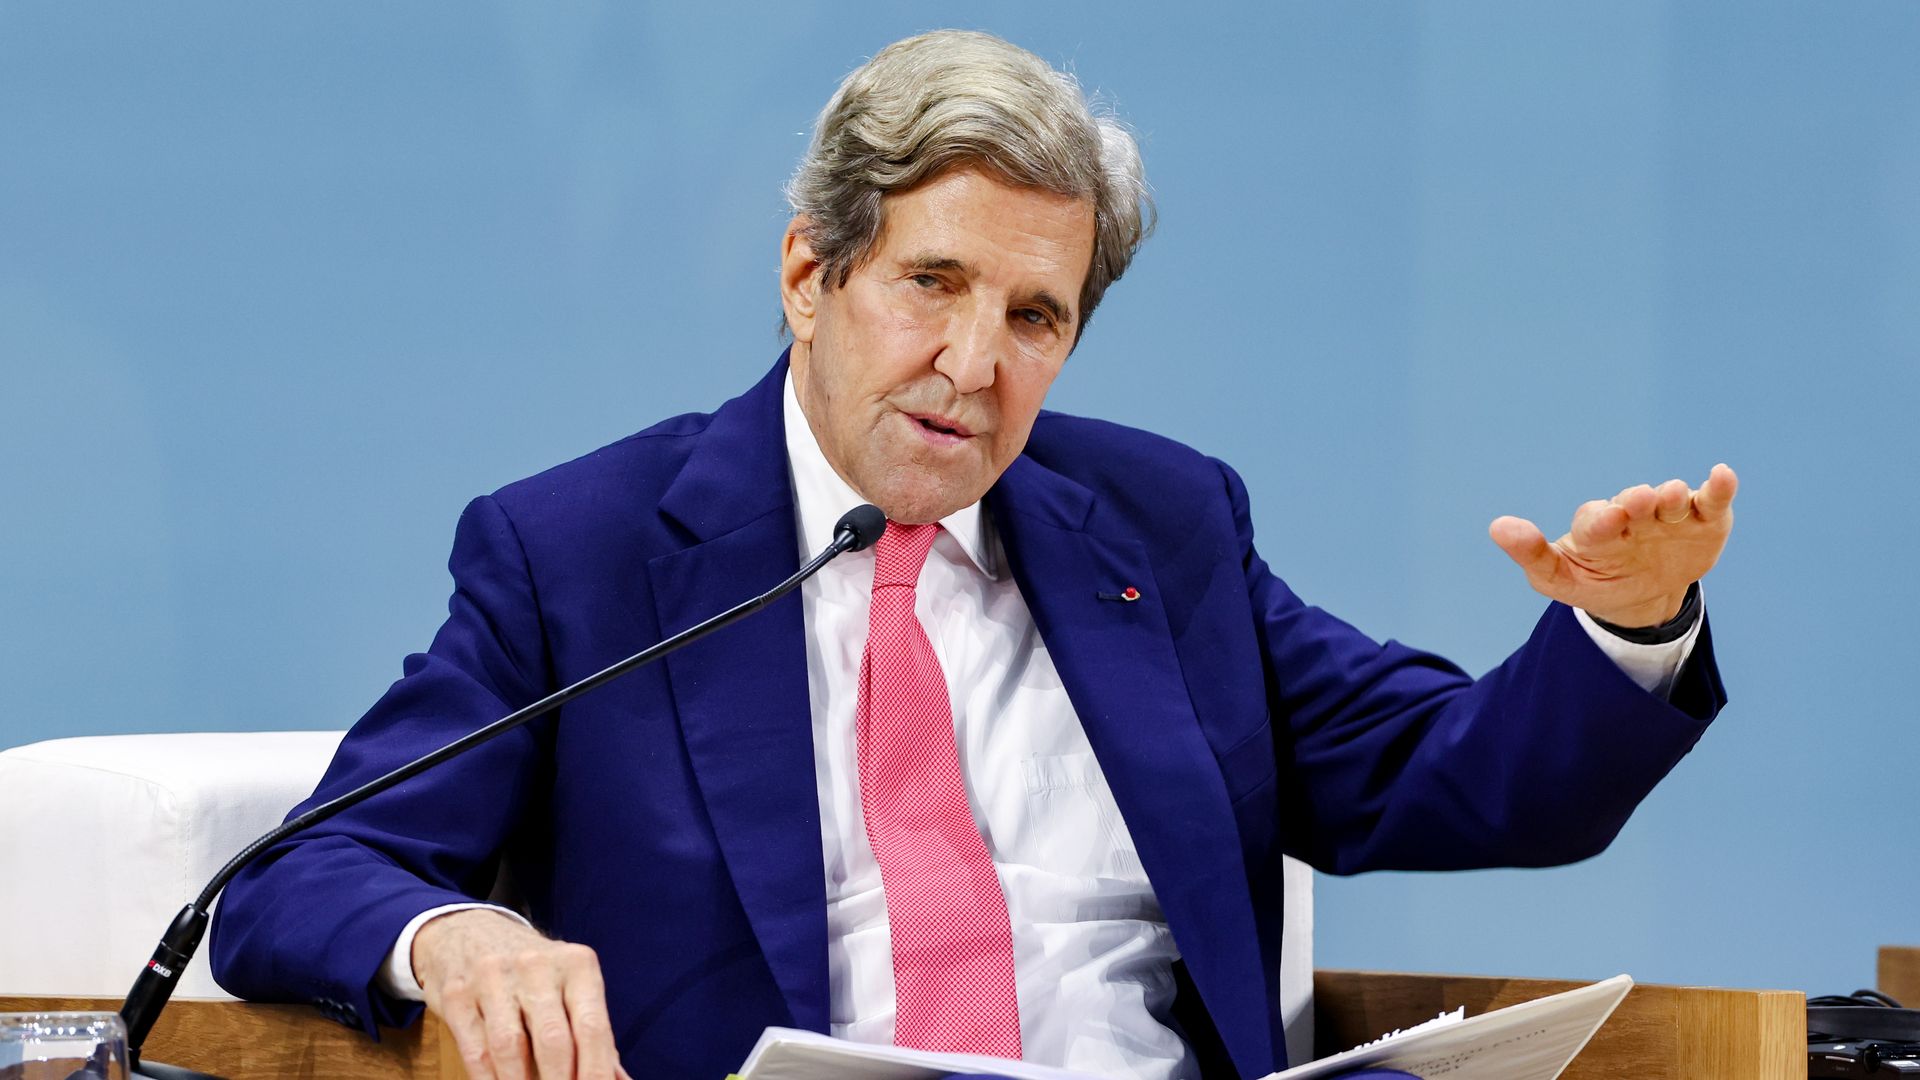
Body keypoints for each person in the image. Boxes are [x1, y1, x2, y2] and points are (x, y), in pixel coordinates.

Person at [209, 29, 1737, 1080]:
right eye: (928, 283)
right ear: (809, 274)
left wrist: (1632, 626)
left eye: (1034, 317)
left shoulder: (1161, 525)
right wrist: (459, 935)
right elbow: (307, 874)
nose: (971, 361)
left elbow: (1448, 771)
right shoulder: (586, 552)